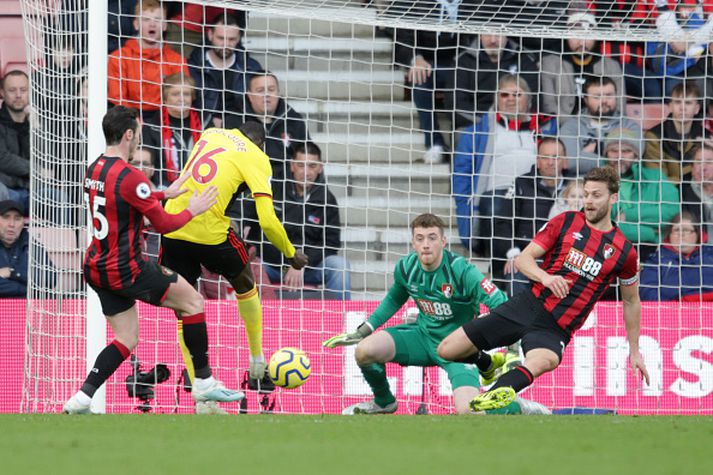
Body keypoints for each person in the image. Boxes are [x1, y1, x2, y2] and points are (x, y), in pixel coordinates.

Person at [63, 106, 242, 414]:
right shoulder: (132, 176)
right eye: (138, 135)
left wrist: (163, 193)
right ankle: (203, 381)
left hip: (95, 266)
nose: (139, 141)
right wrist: (193, 208)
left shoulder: (93, 169)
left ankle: (80, 399)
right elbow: (164, 225)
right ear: (128, 135)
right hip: (126, 268)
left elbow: (125, 199)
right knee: (193, 302)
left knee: (126, 337)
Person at [437, 166, 650, 412]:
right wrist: (546, 278)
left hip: (557, 326)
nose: (589, 201)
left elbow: (632, 301)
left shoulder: (624, 251)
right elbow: (523, 260)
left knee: (544, 360)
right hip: (527, 305)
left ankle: (497, 393)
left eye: (596, 195)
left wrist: (635, 351)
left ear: (613, 198)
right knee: (447, 350)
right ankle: (488, 363)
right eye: (586, 194)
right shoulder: (565, 221)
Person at [323, 213, 550, 415]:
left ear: (443, 241)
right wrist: (363, 330)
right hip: (422, 338)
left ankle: (520, 406)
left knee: (469, 410)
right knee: (365, 351)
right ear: (413, 242)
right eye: (420, 238)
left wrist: (512, 350)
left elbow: (501, 304)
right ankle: (383, 402)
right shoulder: (406, 267)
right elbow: (393, 299)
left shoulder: (462, 271)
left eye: (432, 237)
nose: (426, 245)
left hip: (459, 348)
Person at [160, 121, 309, 410]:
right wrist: (290, 254)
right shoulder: (256, 156)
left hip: (173, 225)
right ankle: (256, 359)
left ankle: (201, 396)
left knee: (185, 307)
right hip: (209, 232)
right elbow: (266, 220)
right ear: (261, 143)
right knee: (244, 279)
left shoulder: (211, 134)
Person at [453, 74, 557, 255]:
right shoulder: (476, 133)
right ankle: (503, 268)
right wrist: (464, 206)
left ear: (529, 99)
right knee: (497, 210)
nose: (510, 99)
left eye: (517, 94)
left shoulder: (545, 129)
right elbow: (461, 174)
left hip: (532, 194)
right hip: (496, 193)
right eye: (504, 95)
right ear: (496, 100)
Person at [245, 142, 350, 300]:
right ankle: (254, 319)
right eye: (301, 165)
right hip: (273, 266)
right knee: (251, 266)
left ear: (320, 168)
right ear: (292, 166)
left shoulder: (327, 199)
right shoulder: (273, 191)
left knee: (339, 266)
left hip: (309, 268)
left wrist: (301, 263)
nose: (306, 172)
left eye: (312, 166)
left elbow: (331, 244)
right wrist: (290, 261)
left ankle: (340, 320)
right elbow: (259, 235)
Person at [494, 137, 570, 293]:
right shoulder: (521, 184)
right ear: (537, 160)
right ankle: (517, 318)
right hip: (527, 256)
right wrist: (513, 254)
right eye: (545, 157)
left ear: (565, 161)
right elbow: (503, 223)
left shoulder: (575, 187)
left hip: (565, 259)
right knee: (516, 272)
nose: (550, 162)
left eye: (555, 157)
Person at [602, 128, 679, 260]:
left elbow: (672, 212)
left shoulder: (656, 177)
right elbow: (601, 228)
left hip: (651, 253)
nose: (619, 156)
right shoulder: (597, 180)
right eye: (614, 151)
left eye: (626, 151)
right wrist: (648, 233)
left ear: (636, 155)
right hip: (608, 251)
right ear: (606, 154)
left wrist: (628, 215)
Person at [107, 0, 188, 120]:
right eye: (146, 19)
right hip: (128, 119)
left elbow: (181, 98)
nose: (152, 24)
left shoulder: (177, 61)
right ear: (136, 24)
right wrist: (134, 120)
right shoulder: (118, 58)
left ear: (165, 25)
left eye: (157, 19)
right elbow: (118, 98)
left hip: (166, 119)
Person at [224, 73, 310, 180]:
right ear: (249, 96)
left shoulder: (294, 121)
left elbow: (309, 158)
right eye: (260, 90)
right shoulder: (234, 122)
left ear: (278, 93)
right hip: (246, 186)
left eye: (271, 89)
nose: (267, 95)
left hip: (286, 189)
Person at [540, 12, 625, 119]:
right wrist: (572, 128)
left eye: (587, 35)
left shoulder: (611, 66)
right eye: (576, 35)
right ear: (566, 36)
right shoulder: (550, 64)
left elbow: (620, 108)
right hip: (562, 128)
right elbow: (549, 107)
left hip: (604, 127)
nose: (582, 43)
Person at [450, 34, 539, 128]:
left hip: (516, 122)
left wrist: (510, 122)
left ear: (507, 35)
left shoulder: (523, 58)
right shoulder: (463, 61)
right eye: (488, 34)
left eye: (498, 35)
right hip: (476, 124)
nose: (493, 40)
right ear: (480, 35)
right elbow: (456, 105)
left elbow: (533, 100)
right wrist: (491, 121)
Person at [187, 12, 262, 123]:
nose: (226, 44)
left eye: (231, 39)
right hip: (201, 127)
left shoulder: (251, 67)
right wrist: (210, 121)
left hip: (241, 129)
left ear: (239, 38)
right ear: (210, 35)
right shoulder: (192, 67)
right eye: (221, 38)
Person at [559, 76, 641, 176]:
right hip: (582, 185)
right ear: (585, 99)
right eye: (597, 97)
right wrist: (613, 159)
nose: (604, 101)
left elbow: (636, 158)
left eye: (609, 95)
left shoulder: (630, 126)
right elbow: (571, 163)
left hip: (622, 184)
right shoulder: (571, 126)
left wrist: (594, 150)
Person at [142, 73, 208, 189]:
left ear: (193, 98)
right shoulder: (152, 126)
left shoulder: (205, 122)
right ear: (165, 98)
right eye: (175, 94)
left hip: (200, 187)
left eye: (186, 94)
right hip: (163, 188)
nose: (181, 99)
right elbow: (147, 163)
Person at [640, 210, 713, 301]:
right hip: (671, 312)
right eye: (676, 230)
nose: (681, 234)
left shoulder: (710, 256)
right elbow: (647, 292)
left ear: (697, 234)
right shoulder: (656, 260)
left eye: (686, 230)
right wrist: (673, 306)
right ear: (669, 235)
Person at [643, 81, 703, 184]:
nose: (682, 108)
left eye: (688, 103)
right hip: (667, 196)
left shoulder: (705, 138)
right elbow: (657, 179)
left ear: (697, 109)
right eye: (677, 102)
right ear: (670, 106)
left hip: (698, 195)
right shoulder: (654, 136)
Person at [0, 200, 55, 297]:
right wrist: (27, 289)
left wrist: (12, 273)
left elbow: (49, 278)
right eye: (6, 217)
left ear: (23, 223)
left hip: (28, 308)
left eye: (17, 219)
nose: (11, 224)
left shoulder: (32, 245)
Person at [681, 144, 713, 243]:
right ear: (692, 167)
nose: (703, 167)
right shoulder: (680, 192)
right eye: (698, 162)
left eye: (709, 162)